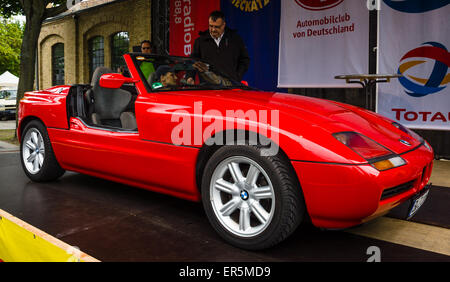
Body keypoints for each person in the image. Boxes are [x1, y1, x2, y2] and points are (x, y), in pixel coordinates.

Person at [187, 10, 250, 84]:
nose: (213, 30)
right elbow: (193, 61)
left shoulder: (235, 39)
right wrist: (190, 76)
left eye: (217, 27)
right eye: (211, 26)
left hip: (230, 86)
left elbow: (244, 60)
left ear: (224, 25)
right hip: (208, 87)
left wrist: (237, 77)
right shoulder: (200, 41)